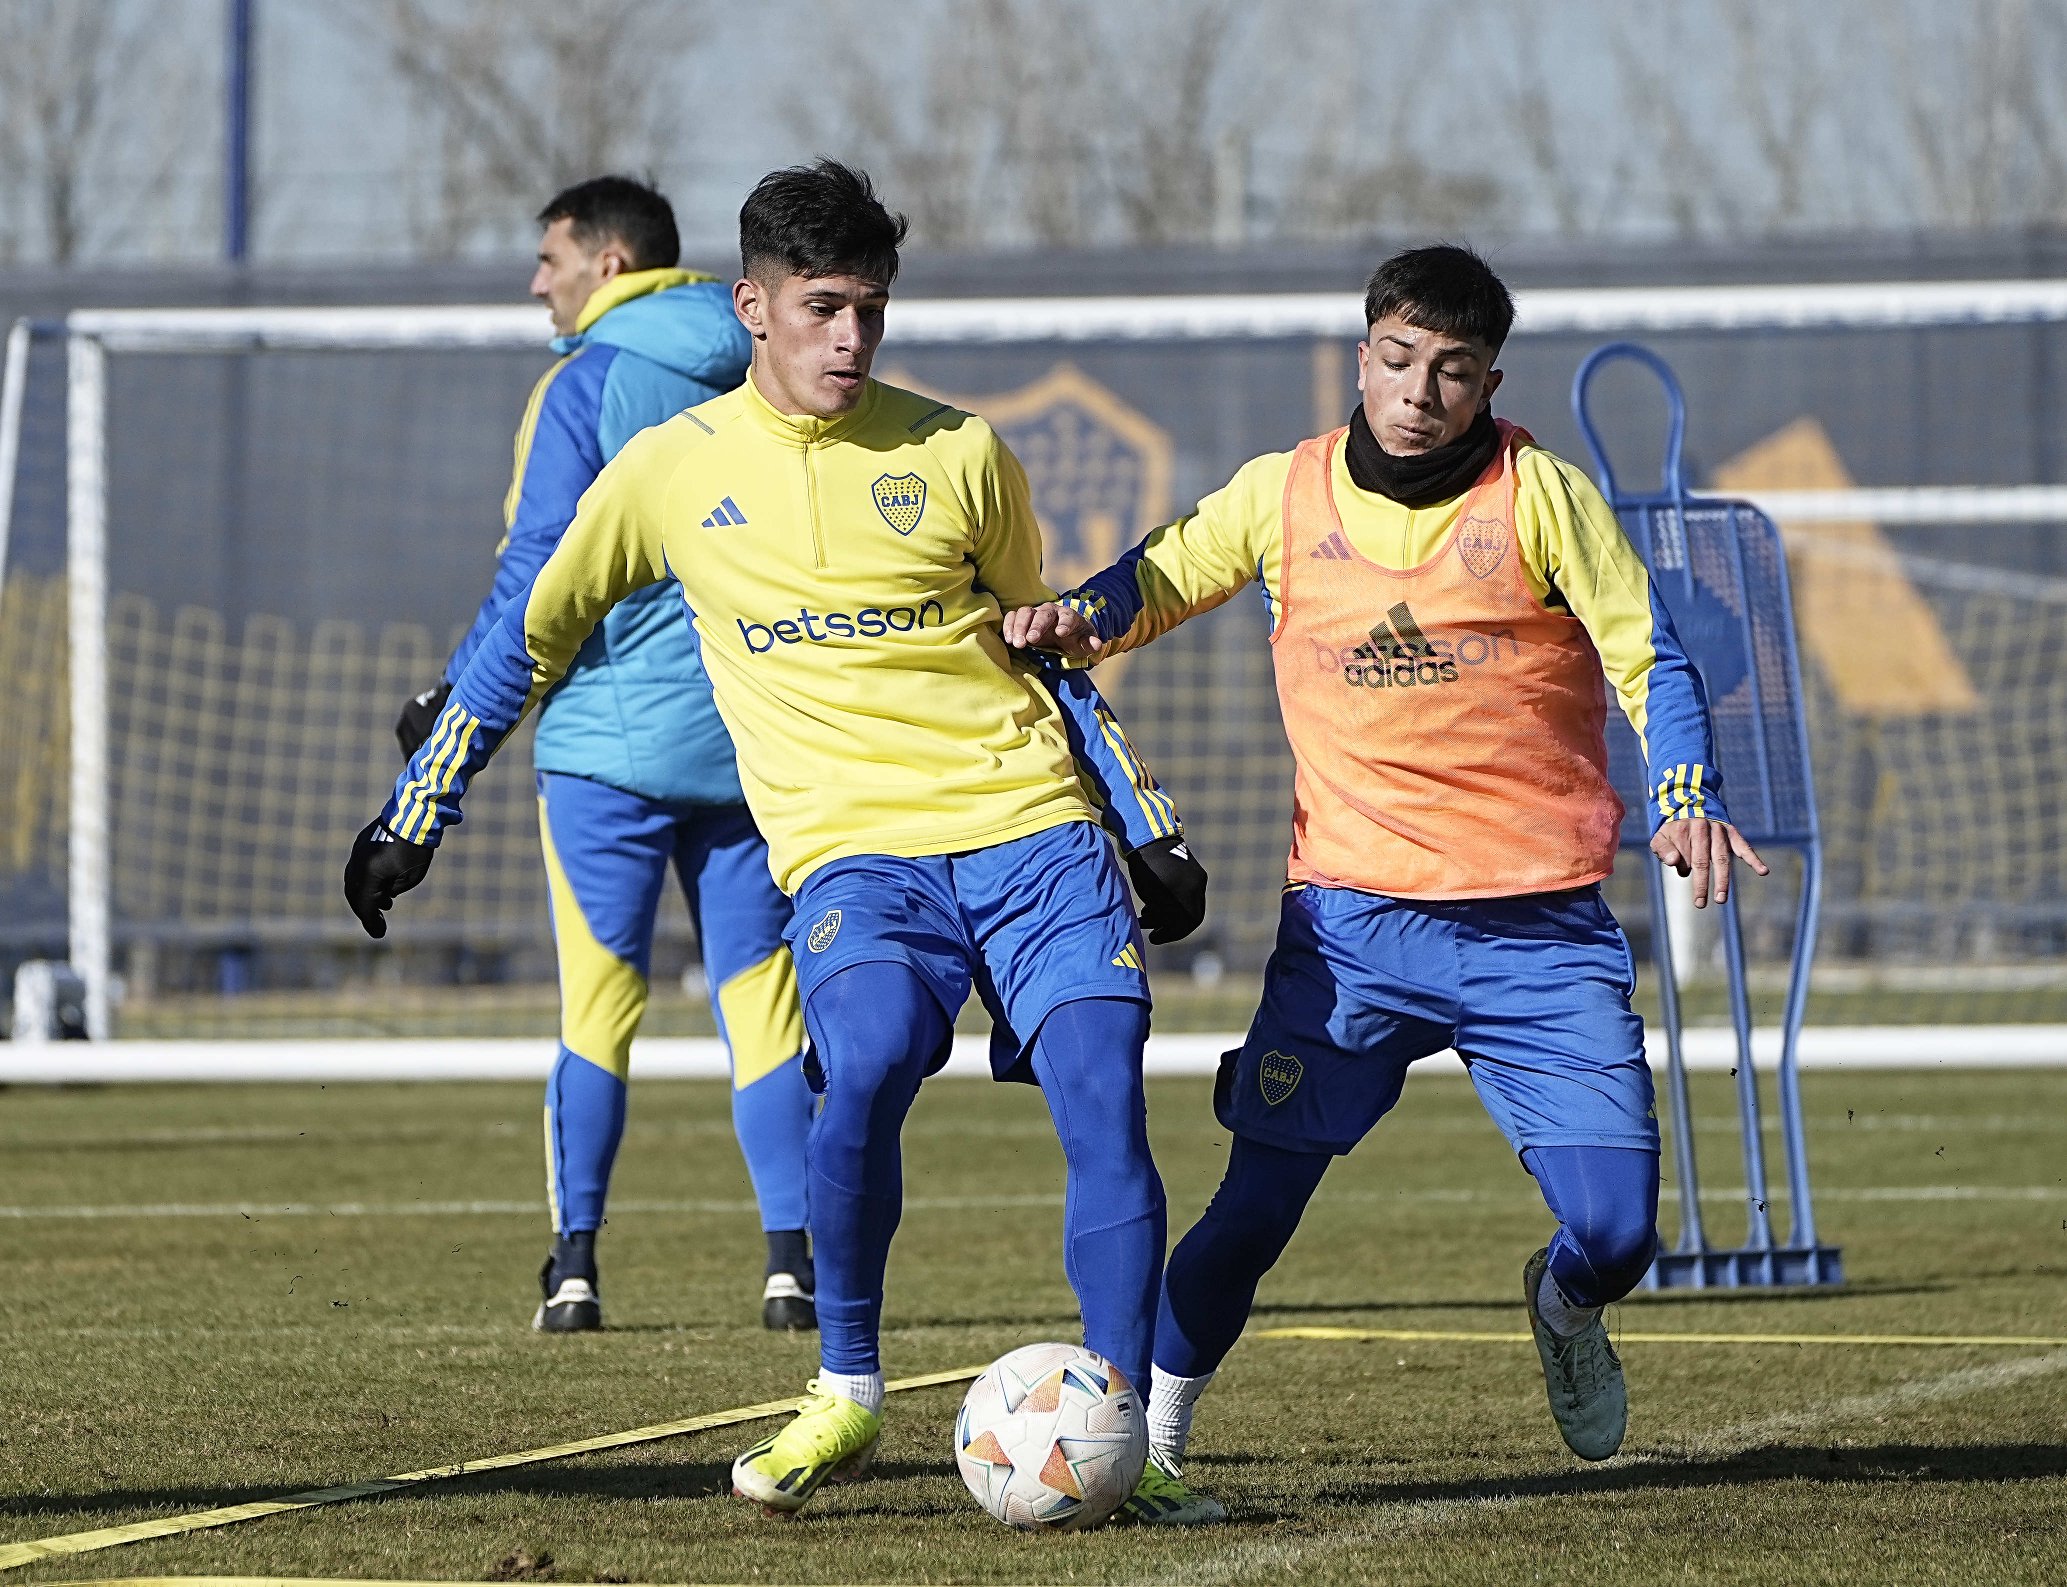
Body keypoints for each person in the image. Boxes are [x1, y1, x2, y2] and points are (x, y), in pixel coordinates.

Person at [345, 159, 1217, 1523]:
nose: (851, 340)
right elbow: (531, 636)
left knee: (1104, 1094)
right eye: (821, 309)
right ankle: (847, 1389)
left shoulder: (961, 452)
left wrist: (1143, 820)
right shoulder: (667, 474)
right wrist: (417, 813)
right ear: (751, 305)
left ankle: (1122, 1442)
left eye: (870, 307)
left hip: (1028, 828)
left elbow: (1039, 648)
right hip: (855, 852)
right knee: (861, 1063)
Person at [1006, 244, 1767, 1482]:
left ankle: (1567, 1307)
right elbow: (1151, 579)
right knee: (1251, 1215)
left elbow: (1652, 659)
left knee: (1621, 1229)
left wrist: (1686, 794)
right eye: (1400, 360)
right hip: (1353, 930)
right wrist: (1075, 617)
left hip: (1539, 933)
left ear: (1487, 383)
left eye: (1451, 372)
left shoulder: (1541, 496)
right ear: (1365, 356)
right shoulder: (1282, 494)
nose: (1419, 391)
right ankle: (1143, 1447)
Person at [394, 176, 820, 1336]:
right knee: (767, 1011)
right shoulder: (770, 368)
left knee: (597, 1008)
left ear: (613, 261)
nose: (541, 281)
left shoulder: (582, 385)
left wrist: (453, 701)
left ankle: (575, 1270)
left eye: (554, 259)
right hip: (748, 746)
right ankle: (793, 1269)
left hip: (600, 752)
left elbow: (540, 576)